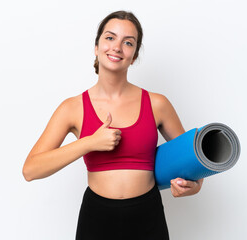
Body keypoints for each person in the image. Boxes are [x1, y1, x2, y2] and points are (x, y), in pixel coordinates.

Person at [22, 10, 204, 240]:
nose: (117, 47)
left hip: (148, 216)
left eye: (128, 42)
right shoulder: (72, 108)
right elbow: (30, 170)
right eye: (110, 38)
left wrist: (193, 187)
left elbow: (193, 162)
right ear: (96, 47)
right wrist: (89, 143)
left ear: (134, 55)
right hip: (96, 218)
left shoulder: (158, 104)